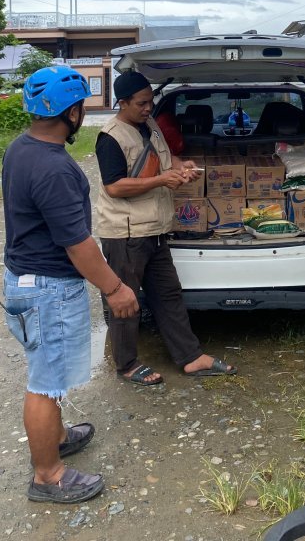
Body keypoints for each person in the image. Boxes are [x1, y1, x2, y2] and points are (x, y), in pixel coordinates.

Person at [2, 66, 139, 505]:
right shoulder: (55, 169)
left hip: (24, 279)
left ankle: (56, 436)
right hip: (47, 289)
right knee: (46, 382)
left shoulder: (20, 149)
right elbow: (78, 246)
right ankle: (49, 475)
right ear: (74, 112)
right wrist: (115, 288)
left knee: (48, 370)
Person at [95, 70, 237, 383]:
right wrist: (161, 179)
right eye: (142, 103)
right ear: (123, 103)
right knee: (125, 300)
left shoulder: (149, 124)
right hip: (127, 233)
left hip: (156, 230)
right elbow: (114, 186)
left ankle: (190, 357)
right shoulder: (110, 136)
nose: (149, 108)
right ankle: (127, 364)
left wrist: (178, 165)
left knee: (169, 295)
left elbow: (161, 157)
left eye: (151, 101)